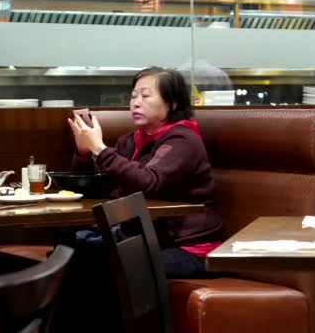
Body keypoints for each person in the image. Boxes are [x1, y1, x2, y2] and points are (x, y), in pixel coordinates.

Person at [68, 66, 222, 278]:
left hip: (189, 248)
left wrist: (100, 149)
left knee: (102, 264)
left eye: (146, 96)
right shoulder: (131, 141)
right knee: (71, 250)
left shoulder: (183, 140)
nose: (136, 102)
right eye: (133, 96)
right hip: (144, 239)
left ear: (172, 103)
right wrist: (84, 153)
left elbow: (149, 183)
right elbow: (97, 188)